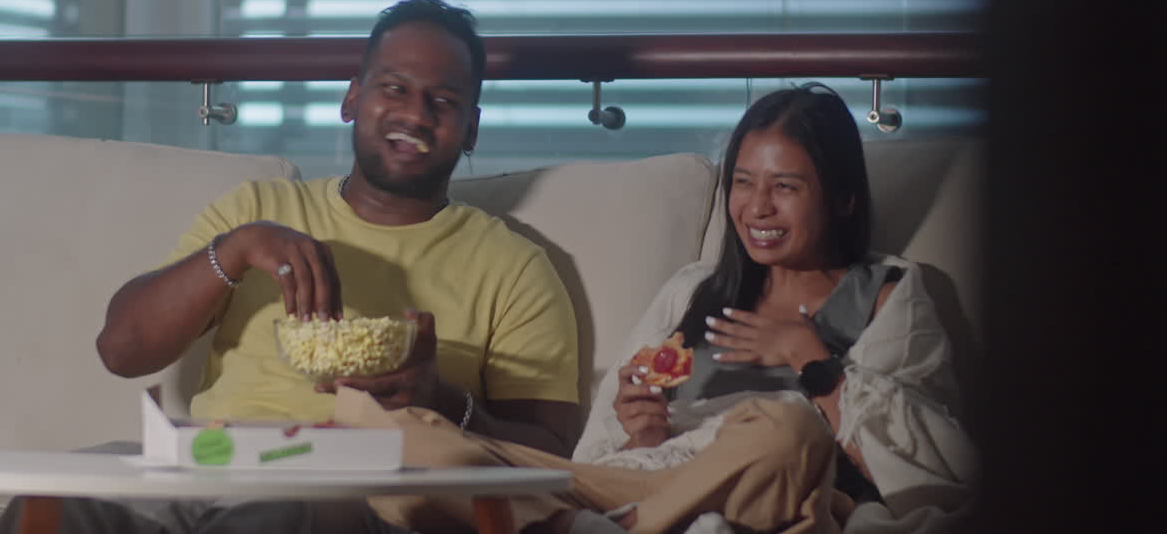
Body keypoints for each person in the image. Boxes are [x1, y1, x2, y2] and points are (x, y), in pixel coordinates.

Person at [0, 0, 582, 534]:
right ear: (352, 99)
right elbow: (121, 351)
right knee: (54, 503)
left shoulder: (513, 266)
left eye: (444, 101)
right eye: (394, 88)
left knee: (278, 517)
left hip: (358, 488)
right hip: (209, 460)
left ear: (471, 128)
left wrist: (441, 401)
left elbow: (554, 458)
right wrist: (233, 252)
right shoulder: (257, 212)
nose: (415, 114)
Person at [362, 84, 977, 534]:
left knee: (785, 429)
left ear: (842, 197)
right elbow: (594, 461)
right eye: (743, 182)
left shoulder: (890, 293)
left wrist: (811, 360)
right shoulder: (695, 288)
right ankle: (631, 520)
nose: (757, 208)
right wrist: (643, 432)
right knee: (404, 439)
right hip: (643, 480)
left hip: (777, 483)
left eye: (785, 187)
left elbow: (929, 470)